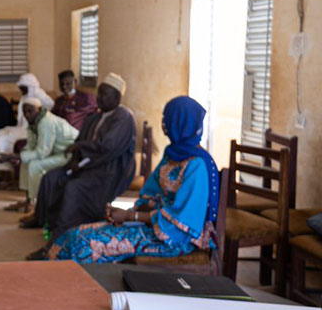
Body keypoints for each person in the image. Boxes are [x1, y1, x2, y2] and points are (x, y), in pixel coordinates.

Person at [48, 96, 219, 263]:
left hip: (173, 240)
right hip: (153, 225)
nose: (163, 124)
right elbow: (151, 193)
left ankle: (75, 287)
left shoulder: (197, 166)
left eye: (167, 119)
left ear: (181, 124)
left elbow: (180, 223)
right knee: (74, 234)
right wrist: (124, 214)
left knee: (85, 245)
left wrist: (132, 215)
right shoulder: (173, 154)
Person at [26, 73, 136, 259]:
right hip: (87, 165)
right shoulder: (95, 116)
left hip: (107, 171)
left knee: (73, 189)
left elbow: (107, 148)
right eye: (99, 93)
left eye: (104, 94)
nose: (99, 98)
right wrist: (76, 159)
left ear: (117, 97)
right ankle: (50, 227)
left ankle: (54, 247)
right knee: (52, 179)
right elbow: (79, 142)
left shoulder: (123, 117)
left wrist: (82, 151)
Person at [0, 98, 79, 220]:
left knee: (35, 165)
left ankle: (35, 206)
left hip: (69, 155)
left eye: (30, 111)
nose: (27, 115)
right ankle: (28, 200)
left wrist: (13, 156)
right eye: (24, 112)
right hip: (55, 152)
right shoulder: (34, 122)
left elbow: (42, 153)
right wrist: (19, 156)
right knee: (26, 162)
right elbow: (30, 146)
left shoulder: (46, 122)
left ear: (39, 110)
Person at [0, 73, 53, 185]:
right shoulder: (24, 97)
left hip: (31, 130)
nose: (21, 90)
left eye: (23, 87)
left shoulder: (39, 95)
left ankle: (7, 175)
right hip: (20, 128)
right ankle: (1, 170)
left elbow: (51, 104)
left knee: (2, 140)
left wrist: (36, 92)